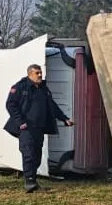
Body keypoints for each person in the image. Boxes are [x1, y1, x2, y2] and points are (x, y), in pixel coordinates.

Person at [4, 64, 73, 193]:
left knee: (37, 155)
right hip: (26, 128)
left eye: (40, 73)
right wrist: (20, 122)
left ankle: (33, 180)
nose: (40, 75)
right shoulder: (21, 86)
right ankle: (29, 183)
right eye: (37, 73)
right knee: (28, 154)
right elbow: (10, 104)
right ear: (30, 74)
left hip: (39, 129)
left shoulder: (43, 89)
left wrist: (64, 118)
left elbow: (52, 106)